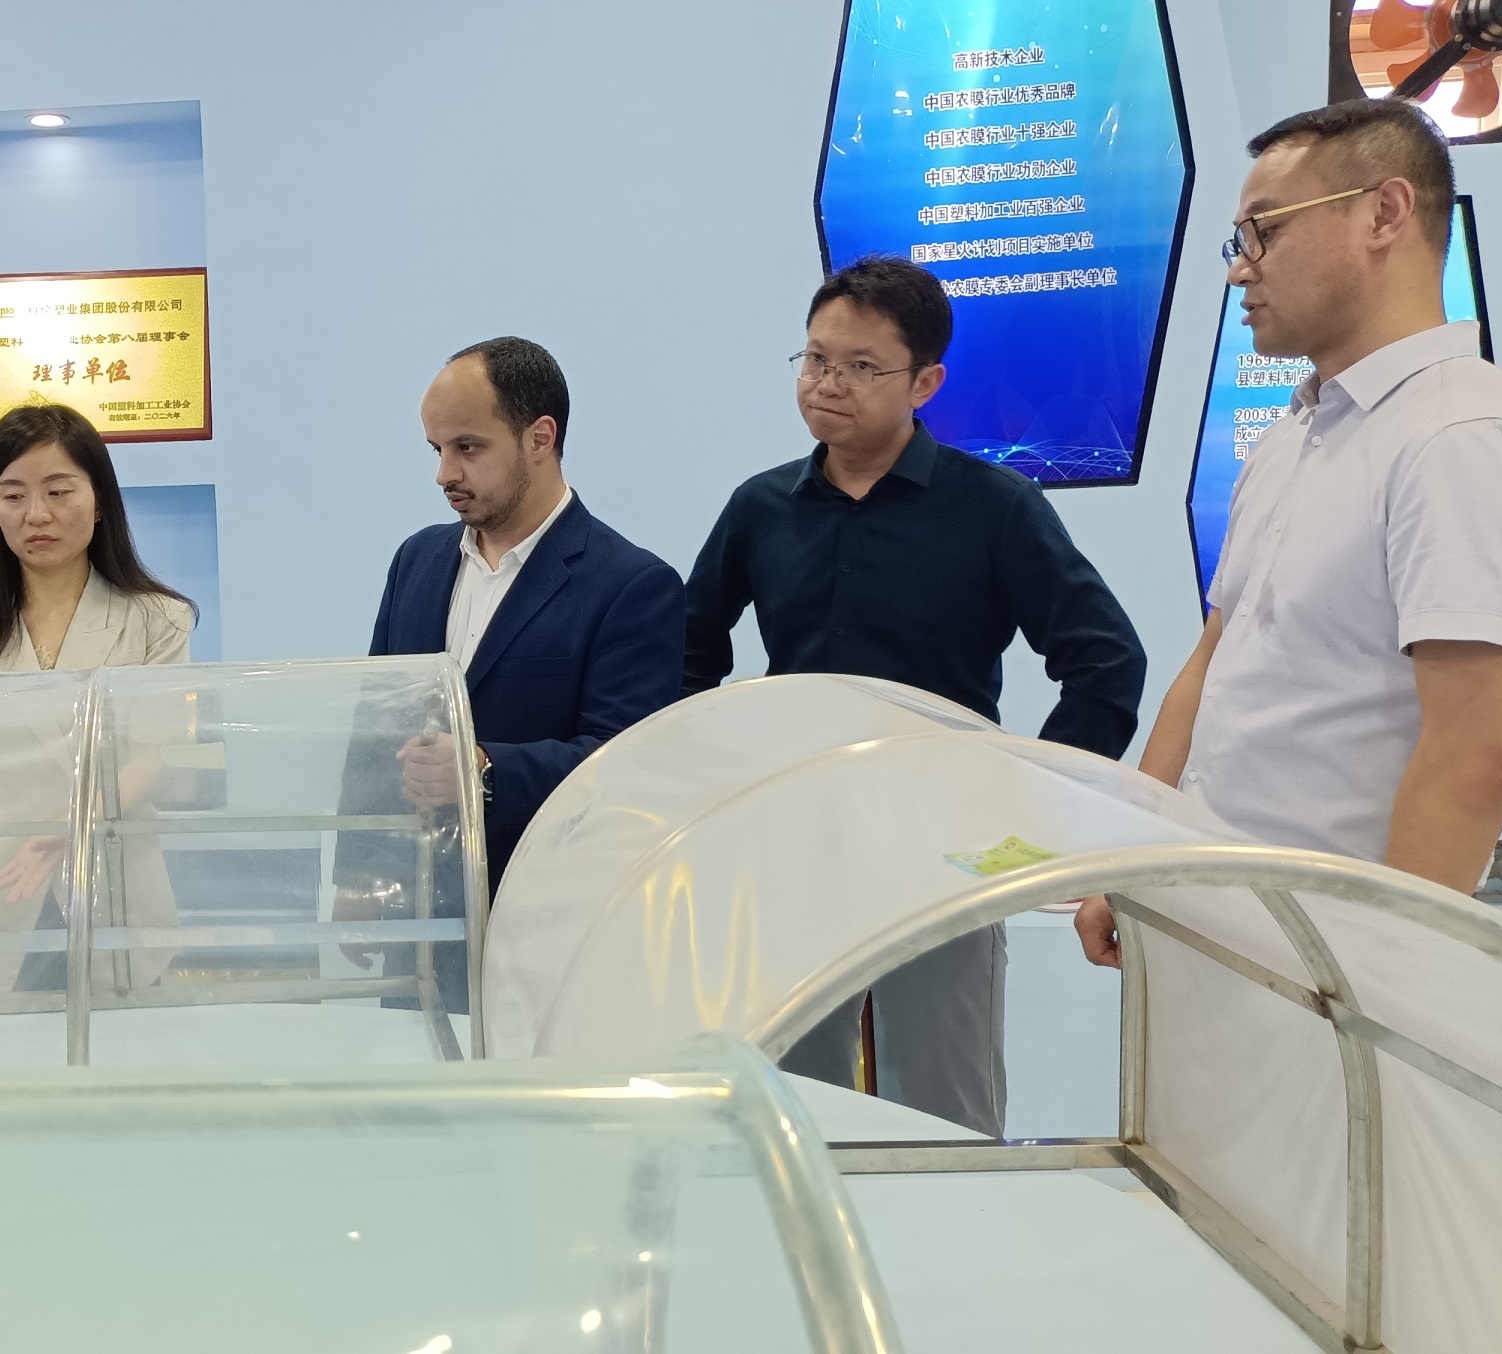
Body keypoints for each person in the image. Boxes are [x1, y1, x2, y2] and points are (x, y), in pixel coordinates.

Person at [685, 256, 1146, 1137]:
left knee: (946, 1100)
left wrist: (1027, 805)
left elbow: (1106, 661)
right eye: (816, 359)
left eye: (861, 367)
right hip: (797, 839)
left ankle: (958, 1229)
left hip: (940, 846)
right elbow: (686, 648)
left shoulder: (994, 508)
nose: (828, 384)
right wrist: (712, 774)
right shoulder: (762, 508)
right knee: (793, 1097)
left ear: (925, 382)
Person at [1077, 99, 1502, 969]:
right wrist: (1134, 855)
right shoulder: (1293, 434)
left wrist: (1388, 983)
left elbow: (1477, 748)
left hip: (1334, 967)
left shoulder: (1457, 435)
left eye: (1264, 232)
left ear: (1385, 213)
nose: (1241, 269)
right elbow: (1214, 662)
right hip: (1221, 933)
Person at [369, 336, 685, 888]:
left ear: (540, 438)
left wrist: (484, 770)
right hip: (413, 901)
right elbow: (372, 732)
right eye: (437, 449)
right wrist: (356, 881)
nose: (445, 474)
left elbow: (624, 763)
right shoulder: (415, 561)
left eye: (468, 448)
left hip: (550, 898)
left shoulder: (632, 586)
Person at [0, 402, 194, 997]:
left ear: (100, 501)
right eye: (13, 495)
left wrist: (73, 825)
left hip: (113, 881)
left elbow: (150, 756)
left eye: (59, 491)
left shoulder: (158, 621)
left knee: (120, 1046)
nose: (36, 514)